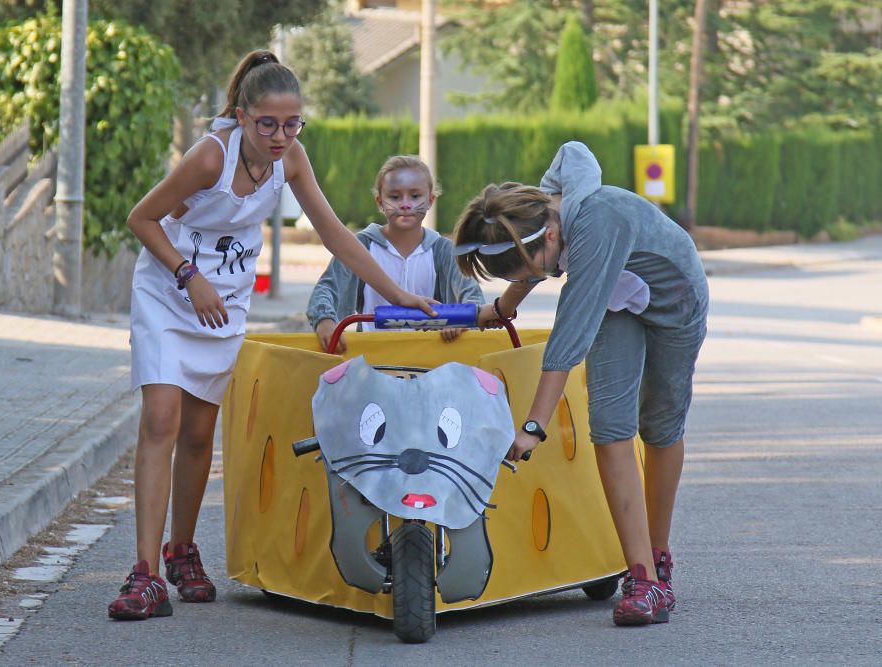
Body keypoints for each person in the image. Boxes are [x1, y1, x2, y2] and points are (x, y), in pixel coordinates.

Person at [109, 50, 438, 621]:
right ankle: (144, 575)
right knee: (161, 418)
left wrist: (399, 292)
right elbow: (142, 218)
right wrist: (190, 279)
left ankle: (183, 552)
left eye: (292, 124)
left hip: (225, 304)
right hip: (169, 292)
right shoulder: (211, 157)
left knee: (198, 433)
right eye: (268, 124)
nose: (281, 135)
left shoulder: (291, 160)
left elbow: (335, 233)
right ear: (242, 116)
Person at [453, 141, 708, 627]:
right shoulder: (545, 212)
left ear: (551, 232)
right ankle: (644, 579)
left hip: (675, 299)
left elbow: (568, 337)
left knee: (659, 425)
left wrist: (533, 426)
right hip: (621, 304)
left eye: (544, 267)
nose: (546, 274)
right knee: (610, 427)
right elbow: (571, 151)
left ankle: (660, 552)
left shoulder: (596, 223)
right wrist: (504, 306)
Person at [307, 155, 484, 353]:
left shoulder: (443, 251)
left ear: (430, 200)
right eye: (395, 196)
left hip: (429, 362)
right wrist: (325, 320)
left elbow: (473, 297)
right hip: (370, 359)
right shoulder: (361, 246)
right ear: (380, 202)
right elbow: (327, 289)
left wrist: (461, 320)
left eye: (415, 196)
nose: (405, 204)